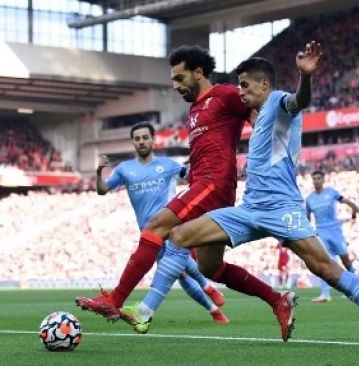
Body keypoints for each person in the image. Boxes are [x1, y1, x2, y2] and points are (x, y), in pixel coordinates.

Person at [122, 41, 359, 351]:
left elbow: (299, 101)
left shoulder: (278, 101)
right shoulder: (256, 118)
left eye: (245, 86)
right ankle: (145, 312)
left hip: (282, 209)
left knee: (327, 269)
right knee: (177, 235)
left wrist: (306, 77)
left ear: (264, 83)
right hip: (250, 207)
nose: (240, 93)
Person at [75, 45, 293, 338]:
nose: (175, 86)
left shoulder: (226, 94)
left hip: (213, 184)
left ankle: (116, 299)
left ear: (199, 72)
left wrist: (260, 153)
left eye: (179, 78)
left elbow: (260, 113)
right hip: (203, 184)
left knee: (157, 226)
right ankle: (278, 300)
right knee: (209, 267)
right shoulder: (194, 110)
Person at [85, 122, 229, 324]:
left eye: (145, 137)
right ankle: (213, 309)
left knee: (178, 261)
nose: (141, 141)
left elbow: (191, 176)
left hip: (170, 225)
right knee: (180, 276)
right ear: (133, 142)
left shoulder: (168, 164)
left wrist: (200, 164)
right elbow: (102, 190)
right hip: (148, 233)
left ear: (153, 139)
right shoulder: (125, 170)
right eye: (137, 139)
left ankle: (208, 287)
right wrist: (99, 171)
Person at [306, 170, 359, 302]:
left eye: (318, 178)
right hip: (321, 233)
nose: (316, 180)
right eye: (314, 178)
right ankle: (325, 294)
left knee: (346, 260)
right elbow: (307, 219)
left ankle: (357, 287)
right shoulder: (309, 199)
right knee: (322, 262)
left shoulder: (331, 193)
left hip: (335, 231)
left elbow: (347, 202)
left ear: (323, 180)